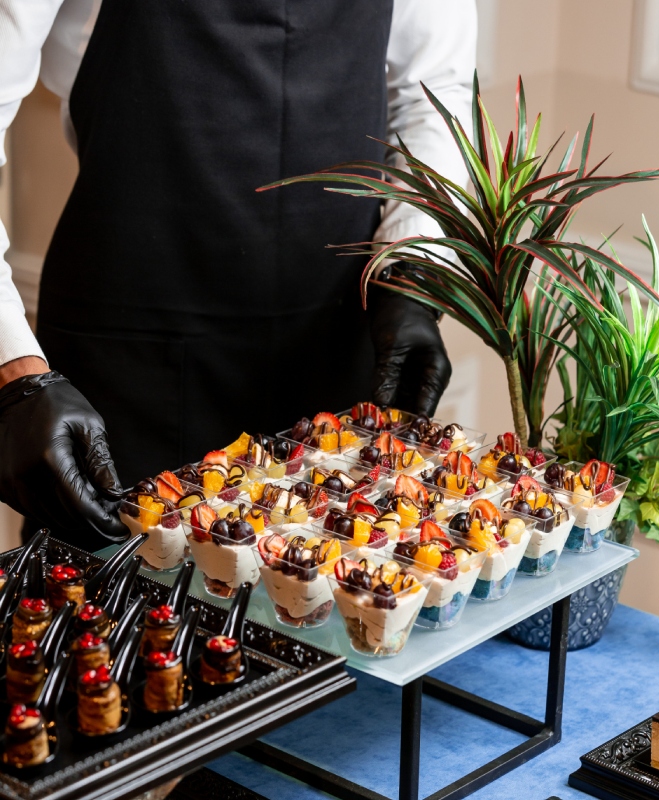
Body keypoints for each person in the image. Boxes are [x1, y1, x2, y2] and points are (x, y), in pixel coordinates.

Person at [0, 0, 476, 551]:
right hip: (129, 343)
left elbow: (431, 97)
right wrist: (13, 369)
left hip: (337, 336)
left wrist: (409, 273)